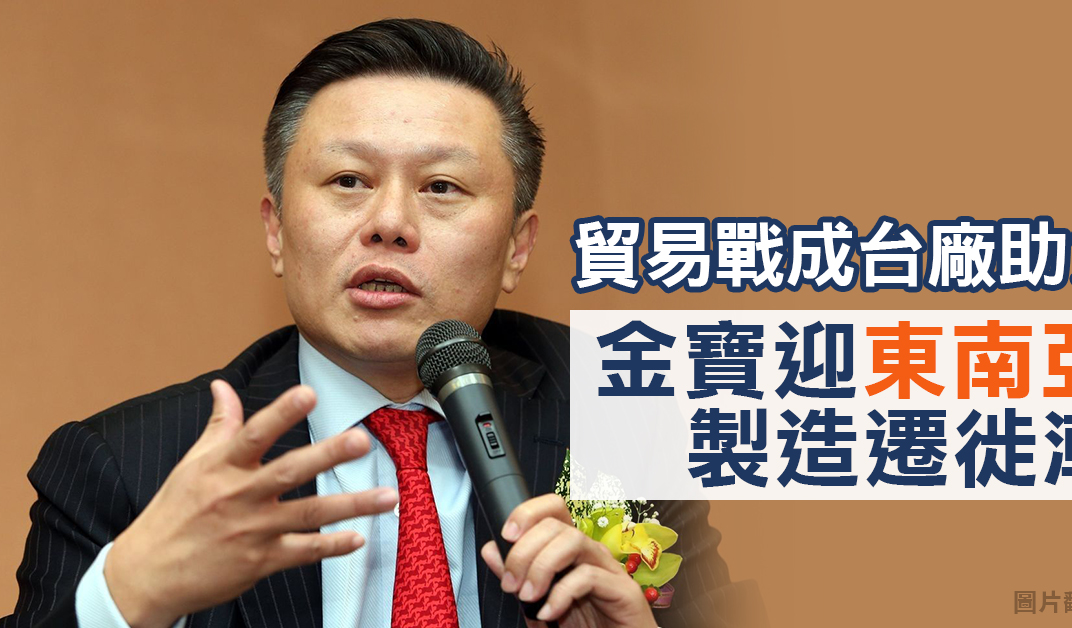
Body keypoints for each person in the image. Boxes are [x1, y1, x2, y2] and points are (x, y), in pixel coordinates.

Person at [2, 17, 759, 628]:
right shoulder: (127, 467)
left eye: (441, 186)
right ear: (276, 229)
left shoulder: (612, 410)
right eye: (348, 180)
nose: (389, 222)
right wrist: (128, 598)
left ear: (516, 249)